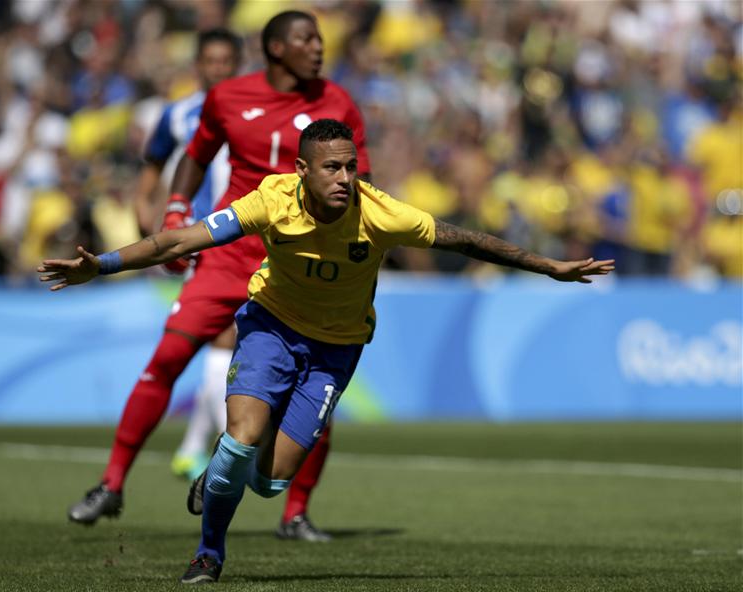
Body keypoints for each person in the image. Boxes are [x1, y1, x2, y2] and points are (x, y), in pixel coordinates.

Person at [39, 118, 615, 584]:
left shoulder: (381, 212)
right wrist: (105, 264)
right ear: (302, 171)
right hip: (270, 328)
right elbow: (179, 238)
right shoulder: (270, 200)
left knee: (269, 481)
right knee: (239, 441)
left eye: (351, 166)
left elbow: (466, 240)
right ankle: (209, 555)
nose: (345, 177)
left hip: (337, 349)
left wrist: (549, 267)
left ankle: (222, 476)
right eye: (332, 167)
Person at [66, 11, 371, 544]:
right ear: (276, 48)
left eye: (320, 39)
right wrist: (176, 207)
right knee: (167, 359)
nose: (319, 48)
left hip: (295, 265)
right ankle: (111, 484)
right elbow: (195, 155)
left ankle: (294, 513)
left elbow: (359, 181)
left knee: (314, 386)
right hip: (228, 255)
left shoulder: (337, 103)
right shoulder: (228, 96)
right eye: (307, 39)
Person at [133, 28, 242, 483]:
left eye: (225, 61)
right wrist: (155, 233)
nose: (217, 69)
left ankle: (194, 447)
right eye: (209, 61)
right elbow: (148, 179)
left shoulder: (251, 109)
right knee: (227, 338)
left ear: (237, 63)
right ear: (197, 64)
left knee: (231, 342)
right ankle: (228, 453)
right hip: (200, 240)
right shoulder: (176, 115)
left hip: (242, 234)